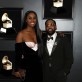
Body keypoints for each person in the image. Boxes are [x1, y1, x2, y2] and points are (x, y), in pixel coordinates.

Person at [13, 10, 43, 82]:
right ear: (26, 20)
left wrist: (60, 35)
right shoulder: (21, 34)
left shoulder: (39, 32)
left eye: (34, 18)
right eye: (30, 18)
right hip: (27, 70)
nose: (32, 20)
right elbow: (18, 54)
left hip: (39, 68)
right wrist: (16, 70)